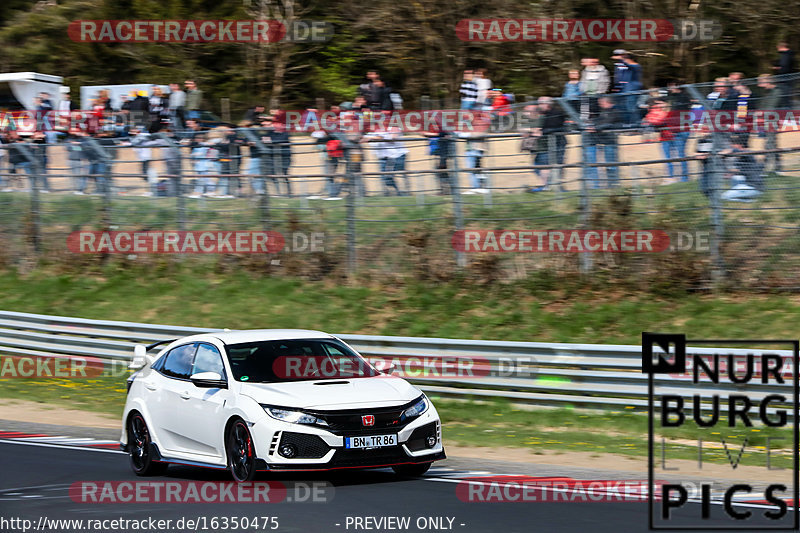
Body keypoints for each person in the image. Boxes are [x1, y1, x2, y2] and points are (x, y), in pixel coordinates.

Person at [584, 96, 623, 188]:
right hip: (600, 140)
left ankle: (613, 184)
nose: (600, 105)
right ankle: (596, 186)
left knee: (611, 164)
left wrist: (595, 128)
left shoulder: (615, 111)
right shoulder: (603, 112)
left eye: (601, 103)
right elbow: (599, 121)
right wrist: (592, 125)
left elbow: (608, 123)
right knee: (596, 163)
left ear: (607, 102)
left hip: (610, 141)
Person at [721, 134, 764, 201]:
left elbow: (740, 152)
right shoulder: (738, 159)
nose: (731, 147)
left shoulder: (748, 153)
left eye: (733, 146)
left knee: (724, 197)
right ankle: (747, 200)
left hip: (753, 187)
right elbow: (735, 171)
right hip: (746, 186)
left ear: (739, 145)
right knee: (735, 177)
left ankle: (747, 200)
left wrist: (729, 151)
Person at [538, 96, 567, 191]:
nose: (539, 106)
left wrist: (543, 131)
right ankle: (550, 185)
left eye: (540, 104)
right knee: (545, 164)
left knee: (557, 165)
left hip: (558, 143)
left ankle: (556, 186)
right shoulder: (542, 114)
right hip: (548, 143)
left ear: (547, 104)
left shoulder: (556, 113)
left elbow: (558, 128)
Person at [756, 74, 782, 172]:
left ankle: (766, 168)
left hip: (772, 121)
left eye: (761, 83)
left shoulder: (777, 91)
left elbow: (771, 108)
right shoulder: (767, 92)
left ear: (768, 82)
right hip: (765, 121)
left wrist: (760, 113)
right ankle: (777, 167)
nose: (759, 85)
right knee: (771, 144)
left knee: (770, 143)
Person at [619, 53, 643, 126]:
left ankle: (636, 125)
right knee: (626, 108)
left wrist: (620, 59)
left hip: (633, 90)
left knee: (632, 108)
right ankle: (628, 124)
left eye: (625, 59)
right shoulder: (630, 67)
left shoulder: (636, 66)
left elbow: (629, 66)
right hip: (626, 90)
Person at [773, 41, 795, 108]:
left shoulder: (786, 55)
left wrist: (778, 69)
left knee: (785, 97)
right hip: (787, 78)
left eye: (778, 49)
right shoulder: (789, 55)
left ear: (781, 47)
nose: (778, 50)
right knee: (786, 97)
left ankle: (789, 113)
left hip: (785, 79)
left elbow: (784, 67)